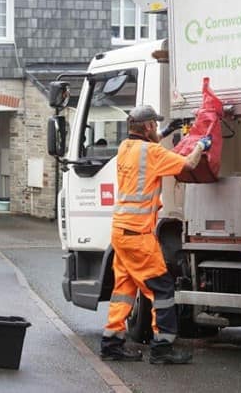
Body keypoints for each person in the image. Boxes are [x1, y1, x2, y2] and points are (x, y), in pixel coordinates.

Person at [100, 104, 212, 365]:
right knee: (161, 288)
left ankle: (111, 342)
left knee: (124, 289)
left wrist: (168, 130)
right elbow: (189, 164)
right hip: (139, 234)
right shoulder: (152, 152)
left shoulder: (125, 148)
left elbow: (147, 149)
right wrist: (202, 145)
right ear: (148, 126)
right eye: (155, 125)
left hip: (121, 231)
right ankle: (163, 347)